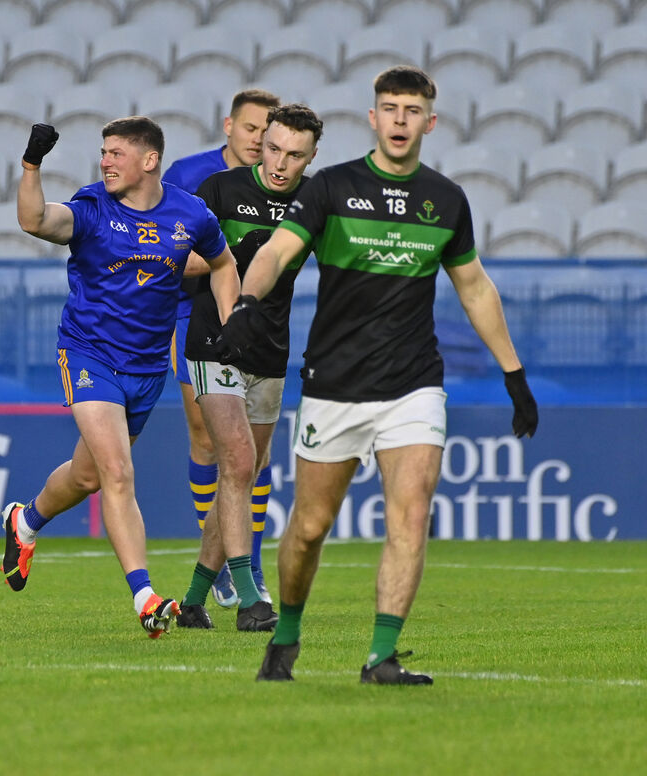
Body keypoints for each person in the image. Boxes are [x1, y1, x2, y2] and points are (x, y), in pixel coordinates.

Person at [223, 66, 539, 684]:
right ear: (373, 118)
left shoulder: (446, 201)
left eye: (411, 110)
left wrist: (514, 373)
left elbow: (473, 287)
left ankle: (381, 657)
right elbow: (275, 252)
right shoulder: (331, 189)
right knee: (309, 529)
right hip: (334, 383)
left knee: (410, 514)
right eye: (389, 108)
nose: (399, 119)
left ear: (429, 121)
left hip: (413, 384)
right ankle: (284, 639)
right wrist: (245, 306)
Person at [1, 117, 242, 637]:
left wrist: (230, 322)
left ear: (148, 160)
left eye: (115, 153)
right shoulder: (92, 210)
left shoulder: (189, 212)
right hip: (89, 356)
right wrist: (31, 165)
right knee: (117, 473)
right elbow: (36, 220)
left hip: (148, 367)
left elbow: (223, 263)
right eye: (103, 152)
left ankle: (25, 521)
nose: (105, 160)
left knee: (87, 476)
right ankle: (145, 596)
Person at [175, 104, 322, 633]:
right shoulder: (220, 190)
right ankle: (248, 598)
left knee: (246, 471)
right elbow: (177, 259)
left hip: (271, 352)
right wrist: (229, 256)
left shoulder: (313, 202)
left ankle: (192, 599)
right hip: (214, 342)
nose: (280, 163)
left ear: (311, 157)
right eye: (274, 148)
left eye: (295, 155)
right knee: (236, 464)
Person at [162, 89, 281, 609]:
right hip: (192, 317)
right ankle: (232, 569)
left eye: (267, 131)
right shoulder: (192, 177)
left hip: (260, 329)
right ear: (228, 125)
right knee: (209, 442)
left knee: (255, 456)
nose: (259, 139)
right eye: (251, 128)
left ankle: (245, 560)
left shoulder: (285, 186)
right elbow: (161, 243)